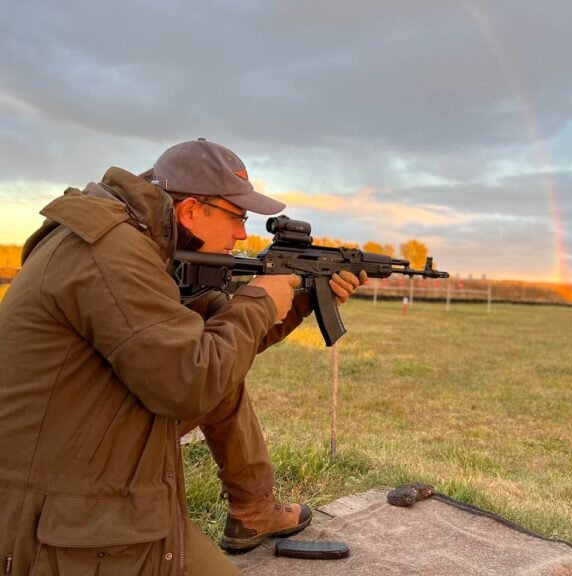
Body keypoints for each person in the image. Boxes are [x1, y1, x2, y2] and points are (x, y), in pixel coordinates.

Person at [0, 138, 366, 575]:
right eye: (237, 217)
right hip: (65, 512)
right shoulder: (109, 253)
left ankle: (253, 511)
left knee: (223, 379)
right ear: (191, 210)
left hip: (94, 471)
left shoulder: (140, 247)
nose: (242, 234)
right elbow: (190, 381)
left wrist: (303, 301)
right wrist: (259, 302)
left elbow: (221, 347)